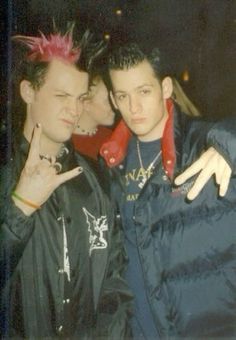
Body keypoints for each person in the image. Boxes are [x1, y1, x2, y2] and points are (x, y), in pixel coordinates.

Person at [0, 27, 132, 338]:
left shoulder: (97, 181)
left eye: (80, 98)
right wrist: (20, 208)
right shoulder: (5, 176)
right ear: (28, 92)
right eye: (61, 96)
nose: (74, 111)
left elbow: (114, 284)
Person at [102, 43, 236, 338]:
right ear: (113, 98)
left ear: (165, 88)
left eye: (143, 91)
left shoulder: (203, 144)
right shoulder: (109, 165)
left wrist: (230, 145)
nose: (133, 107)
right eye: (123, 96)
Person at [72, 72, 115, 161]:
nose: (114, 105)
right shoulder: (66, 143)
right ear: (87, 105)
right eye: (107, 101)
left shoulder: (112, 137)